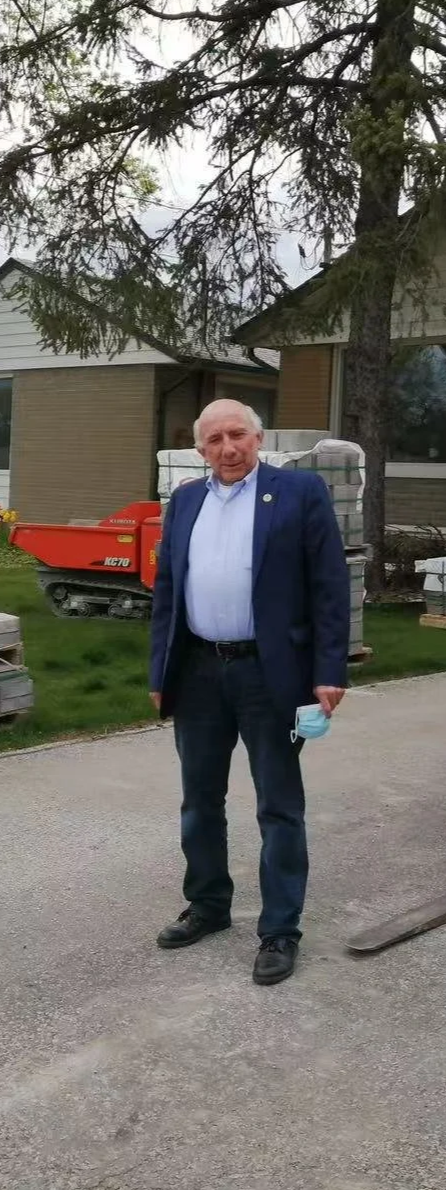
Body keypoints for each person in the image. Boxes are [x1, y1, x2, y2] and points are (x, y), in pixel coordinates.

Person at [149, 400, 350, 984]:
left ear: (258, 438)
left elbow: (330, 587)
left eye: (238, 435)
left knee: (279, 805)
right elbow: (167, 593)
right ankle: (209, 905)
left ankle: (280, 928)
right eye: (214, 439)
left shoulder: (300, 494)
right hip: (200, 672)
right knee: (199, 800)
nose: (228, 448)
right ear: (200, 450)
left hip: (272, 675)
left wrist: (329, 670)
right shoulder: (184, 501)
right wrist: (161, 675)